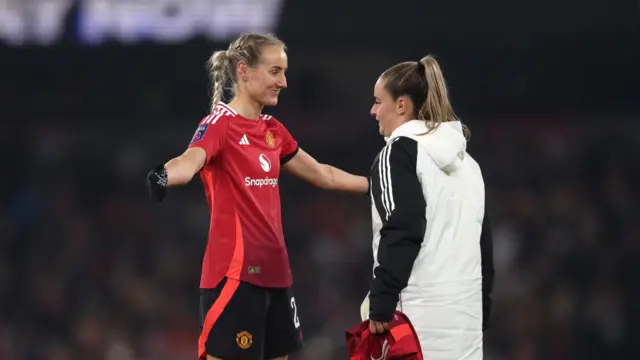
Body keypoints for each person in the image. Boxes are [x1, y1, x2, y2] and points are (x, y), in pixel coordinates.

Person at [145, 33, 368, 360]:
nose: (284, 82)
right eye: (275, 71)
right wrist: (164, 174)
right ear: (244, 71)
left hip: (276, 277)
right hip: (234, 277)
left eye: (285, 72)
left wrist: (376, 185)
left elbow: (323, 174)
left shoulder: (273, 130)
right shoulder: (220, 124)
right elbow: (190, 160)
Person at [361, 55, 495, 360]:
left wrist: (381, 301)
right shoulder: (470, 164)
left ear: (401, 105)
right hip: (466, 320)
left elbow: (403, 227)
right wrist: (481, 310)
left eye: (378, 101)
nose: (373, 111)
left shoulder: (396, 154)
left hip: (417, 317)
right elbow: (483, 246)